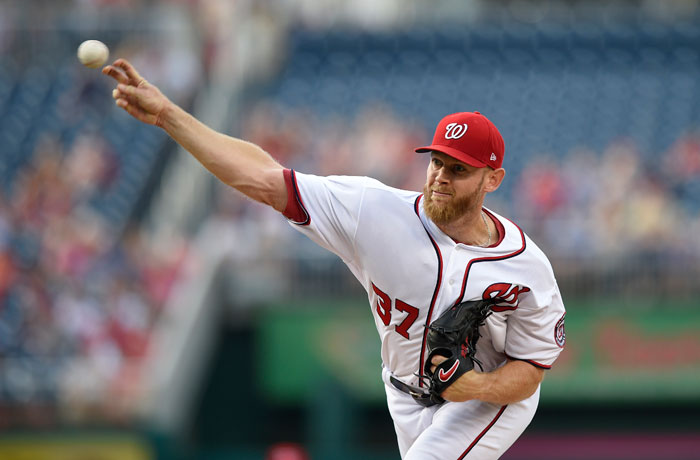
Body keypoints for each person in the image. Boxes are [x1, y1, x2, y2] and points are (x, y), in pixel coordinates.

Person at [103, 59, 566, 459]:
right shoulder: (373, 211)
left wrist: (477, 389)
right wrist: (169, 116)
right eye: (437, 161)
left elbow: (531, 371)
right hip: (403, 391)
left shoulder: (526, 268)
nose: (441, 176)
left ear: (493, 180)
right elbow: (264, 179)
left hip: (488, 397)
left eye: (459, 169)